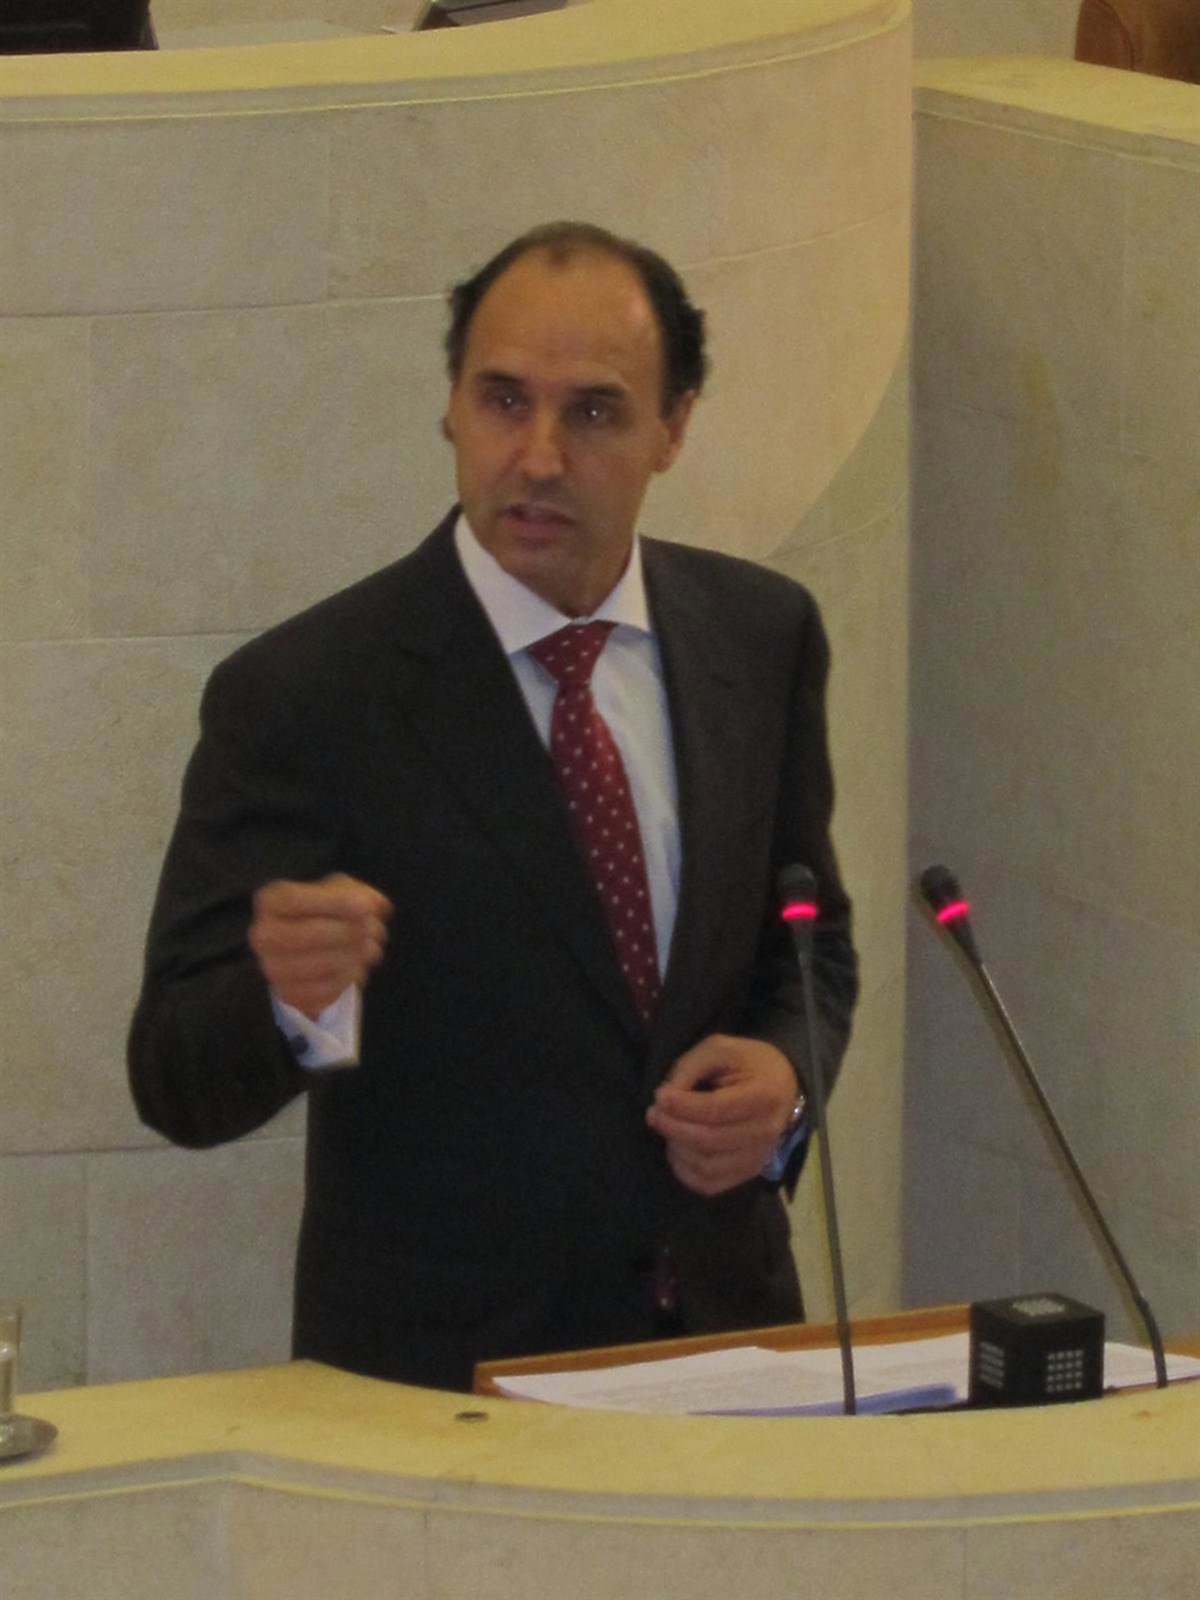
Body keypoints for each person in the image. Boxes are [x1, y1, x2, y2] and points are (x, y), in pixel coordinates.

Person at [128, 221, 858, 1392]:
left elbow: (809, 947)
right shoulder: (311, 695)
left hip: (727, 1349)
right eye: (503, 400)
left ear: (674, 427)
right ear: (452, 408)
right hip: (442, 1388)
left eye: (595, 412)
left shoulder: (760, 636)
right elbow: (175, 1078)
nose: (539, 457)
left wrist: (785, 1076)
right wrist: (287, 1000)